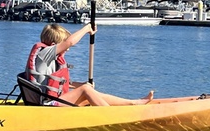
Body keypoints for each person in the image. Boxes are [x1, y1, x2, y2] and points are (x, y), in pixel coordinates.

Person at [25, 23, 153, 106]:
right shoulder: (44, 54)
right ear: (53, 45)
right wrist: (87, 28)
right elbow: (70, 42)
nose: (68, 49)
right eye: (63, 44)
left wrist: (80, 85)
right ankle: (112, 115)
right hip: (48, 104)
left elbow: (59, 83)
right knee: (85, 90)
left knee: (87, 90)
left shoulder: (51, 59)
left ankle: (132, 103)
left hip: (54, 100)